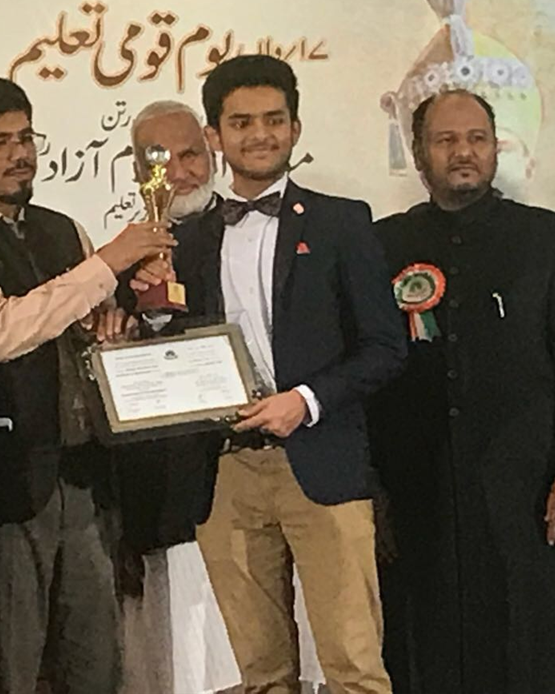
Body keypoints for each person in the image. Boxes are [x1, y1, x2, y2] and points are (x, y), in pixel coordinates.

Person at [133, 55, 405, 694]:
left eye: (274, 120)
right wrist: (150, 313)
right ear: (214, 135)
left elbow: (385, 347)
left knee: (354, 667)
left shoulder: (343, 222)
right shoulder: (183, 239)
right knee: (260, 673)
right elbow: (170, 350)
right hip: (226, 472)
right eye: (241, 122)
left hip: (323, 461)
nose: (260, 134)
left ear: (295, 128)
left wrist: (305, 400)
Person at [0, 75, 175, 694]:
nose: (18, 154)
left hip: (82, 475)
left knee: (96, 667)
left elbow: (82, 323)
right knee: (11, 669)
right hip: (0, 488)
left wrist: (114, 322)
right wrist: (106, 263)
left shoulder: (63, 230)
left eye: (25, 137)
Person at [370, 89, 555, 694]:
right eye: (446, 140)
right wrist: (373, 488)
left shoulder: (548, 238)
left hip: (530, 487)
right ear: (419, 155)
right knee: (426, 642)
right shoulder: (383, 245)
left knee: (535, 642)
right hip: (419, 492)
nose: (463, 151)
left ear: (494, 150)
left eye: (477, 139)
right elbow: (367, 371)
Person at [115, 100, 239, 694]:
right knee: (175, 655)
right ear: (138, 172)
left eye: (190, 155)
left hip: (245, 465)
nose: (179, 173)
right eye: (158, 161)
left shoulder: (246, 233)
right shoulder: (120, 255)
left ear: (212, 149)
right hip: (165, 483)